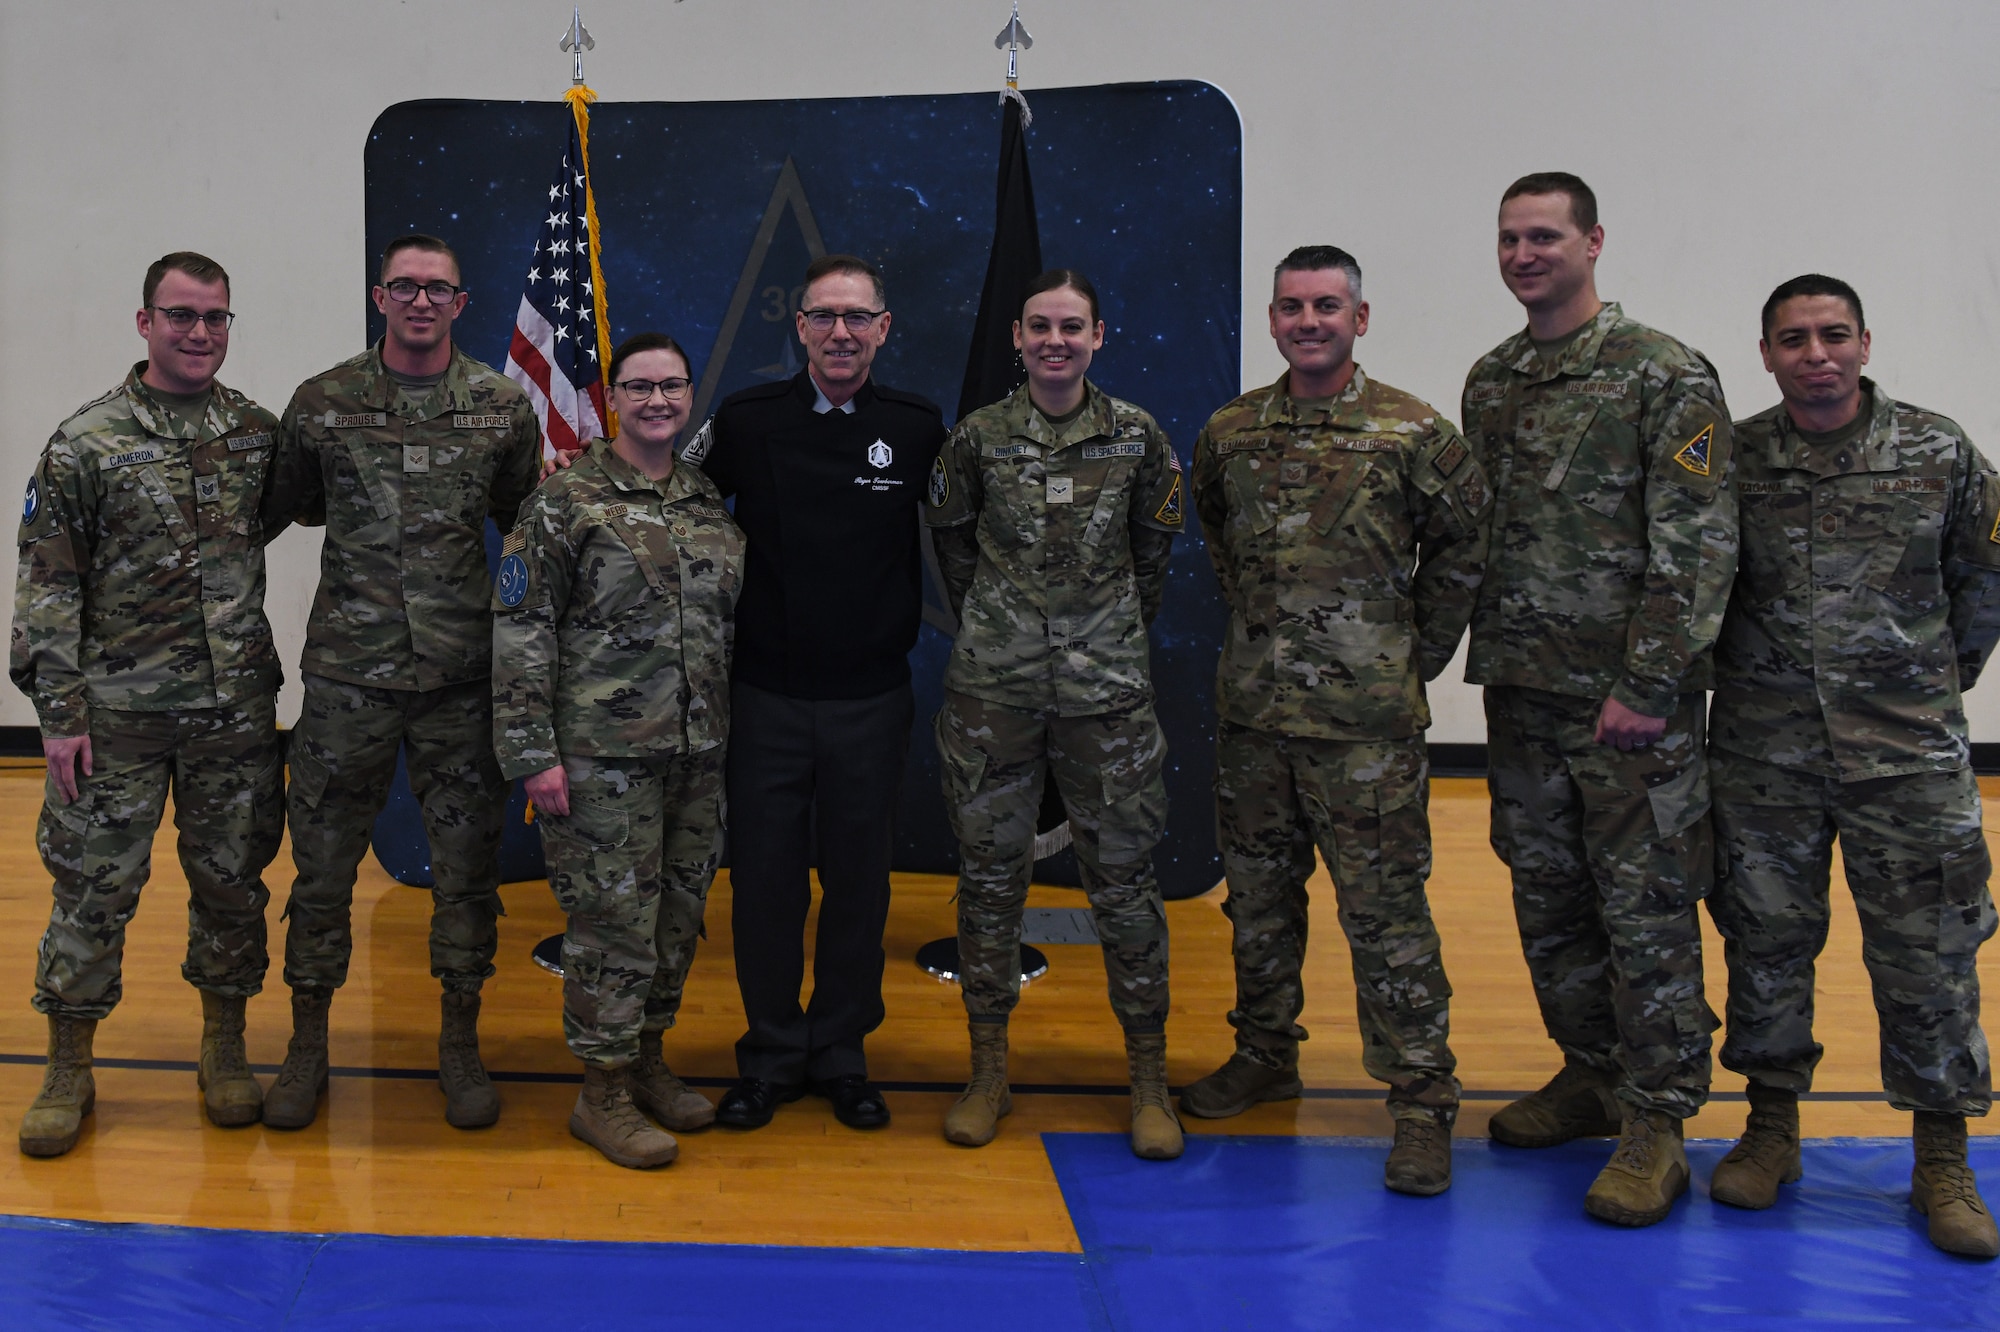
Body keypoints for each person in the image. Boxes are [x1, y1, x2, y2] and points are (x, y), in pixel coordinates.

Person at [1183, 246, 1492, 1194]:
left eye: (1326, 306)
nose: (1307, 321)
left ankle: (1421, 1099)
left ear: (1360, 319)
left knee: (1386, 916)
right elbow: (1222, 545)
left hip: (1365, 731)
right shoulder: (1231, 432)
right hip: (1255, 719)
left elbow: (1464, 548)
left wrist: (1408, 653)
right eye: (1290, 307)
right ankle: (1266, 1052)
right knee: (1260, 905)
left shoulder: (1412, 432)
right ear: (1272, 320)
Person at [1461, 173, 1737, 1226]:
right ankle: (1590, 1072)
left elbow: (1697, 544)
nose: (1524, 254)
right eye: (1509, 238)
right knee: (1548, 899)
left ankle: (1658, 1119)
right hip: (1522, 694)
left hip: (1628, 707)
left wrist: (1649, 682)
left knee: (1646, 907)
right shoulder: (1491, 381)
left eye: (1544, 236)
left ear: (1592, 243)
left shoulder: (1660, 374)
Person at [1704, 275, 2000, 1258]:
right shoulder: (1730, 459)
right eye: (1792, 339)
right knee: (1765, 940)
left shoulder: (1934, 449)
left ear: (1864, 342)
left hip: (1906, 755)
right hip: (1763, 752)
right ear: (1766, 354)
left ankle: (1940, 1157)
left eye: (1832, 334)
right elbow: (1692, 582)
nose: (1814, 354)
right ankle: (1769, 1128)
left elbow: (1985, 571)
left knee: (1927, 955)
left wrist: (1931, 681)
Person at [259, 234, 541, 1131]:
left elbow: (527, 526)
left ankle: (459, 1044)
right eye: (404, 287)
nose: (421, 302)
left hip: (461, 678)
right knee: (322, 870)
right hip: (349, 677)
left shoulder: (501, 409)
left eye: (439, 290)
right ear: (380, 297)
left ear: (462, 303)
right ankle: (308, 1045)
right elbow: (290, 506)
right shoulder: (323, 404)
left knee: (464, 873)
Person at [11, 251, 286, 1155]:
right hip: (116, 719)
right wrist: (59, 714)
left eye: (215, 317)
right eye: (180, 316)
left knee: (232, 887)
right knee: (94, 890)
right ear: (145, 323)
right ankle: (68, 1065)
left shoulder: (255, 432)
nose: (199, 333)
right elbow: (48, 585)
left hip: (233, 714)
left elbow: (263, 531)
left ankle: (225, 1045)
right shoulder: (84, 441)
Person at [925, 268, 1186, 1160]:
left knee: (1125, 888)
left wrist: (1097, 637)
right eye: (1040, 326)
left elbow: (1152, 555)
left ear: (1099, 337)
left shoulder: (1139, 437)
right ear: (1017, 336)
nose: (1055, 342)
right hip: (994, 696)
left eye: (1072, 328)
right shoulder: (977, 439)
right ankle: (987, 1073)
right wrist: (1008, 632)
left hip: (1106, 698)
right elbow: (953, 547)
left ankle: (1148, 1078)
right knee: (991, 884)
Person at [683, 254, 946, 1131]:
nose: (841, 333)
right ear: (797, 328)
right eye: (823, 317)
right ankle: (768, 1053)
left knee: (860, 884)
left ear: (883, 328)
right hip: (765, 697)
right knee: (763, 883)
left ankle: (840, 1052)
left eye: (857, 317)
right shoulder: (748, 421)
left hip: (872, 698)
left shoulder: (915, 426)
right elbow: (674, 506)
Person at [493, 332, 745, 1169]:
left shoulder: (707, 501)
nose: (658, 402)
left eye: (672, 386)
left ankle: (645, 1061)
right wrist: (533, 752)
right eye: (639, 387)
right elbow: (523, 628)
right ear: (612, 400)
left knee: (676, 918)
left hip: (695, 751)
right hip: (601, 757)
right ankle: (598, 1093)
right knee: (612, 925)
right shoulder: (565, 503)